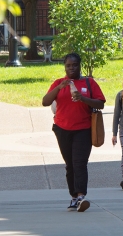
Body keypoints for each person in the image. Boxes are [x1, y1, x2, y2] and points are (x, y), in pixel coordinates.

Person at [42, 53, 106, 212]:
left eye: (75, 65)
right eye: (68, 66)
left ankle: (81, 196)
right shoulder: (58, 83)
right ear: (65, 67)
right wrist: (59, 87)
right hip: (62, 129)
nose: (71, 68)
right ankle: (73, 197)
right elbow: (45, 102)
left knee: (80, 163)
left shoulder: (88, 82)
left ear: (80, 65)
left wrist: (83, 98)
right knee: (70, 165)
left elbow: (101, 103)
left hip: (83, 129)